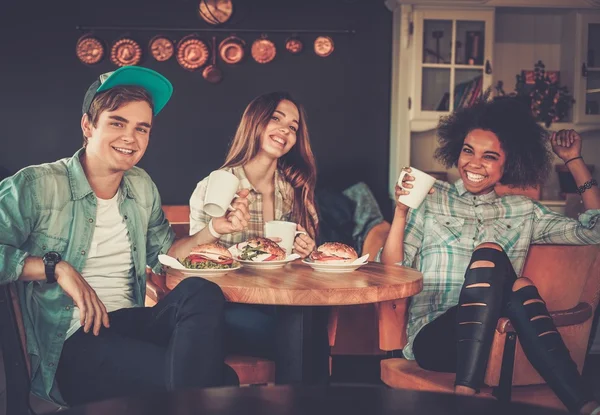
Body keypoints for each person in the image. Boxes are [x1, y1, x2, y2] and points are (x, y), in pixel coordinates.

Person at [0, 66, 243, 407]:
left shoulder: (141, 185)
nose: (131, 138)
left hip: (128, 322)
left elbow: (165, 253)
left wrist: (216, 228)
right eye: (117, 122)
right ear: (88, 125)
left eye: (141, 128)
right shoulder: (37, 185)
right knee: (221, 380)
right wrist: (57, 269)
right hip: (70, 342)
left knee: (200, 291)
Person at [380, 97, 600, 414]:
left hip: (496, 346)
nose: (474, 163)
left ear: (507, 165)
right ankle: (582, 404)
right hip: (436, 340)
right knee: (505, 270)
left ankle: (582, 407)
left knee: (513, 281)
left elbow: (594, 232)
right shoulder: (431, 198)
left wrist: (574, 160)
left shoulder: (524, 211)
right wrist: (401, 211)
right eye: (468, 150)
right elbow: (392, 269)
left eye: (490, 156)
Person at [189, 91, 322, 375]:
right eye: (276, 118)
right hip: (227, 306)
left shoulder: (295, 190)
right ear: (255, 123)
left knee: (303, 319)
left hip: (280, 303)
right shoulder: (217, 186)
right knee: (300, 331)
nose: (285, 129)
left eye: (293, 127)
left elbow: (305, 270)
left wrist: (306, 250)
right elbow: (193, 259)